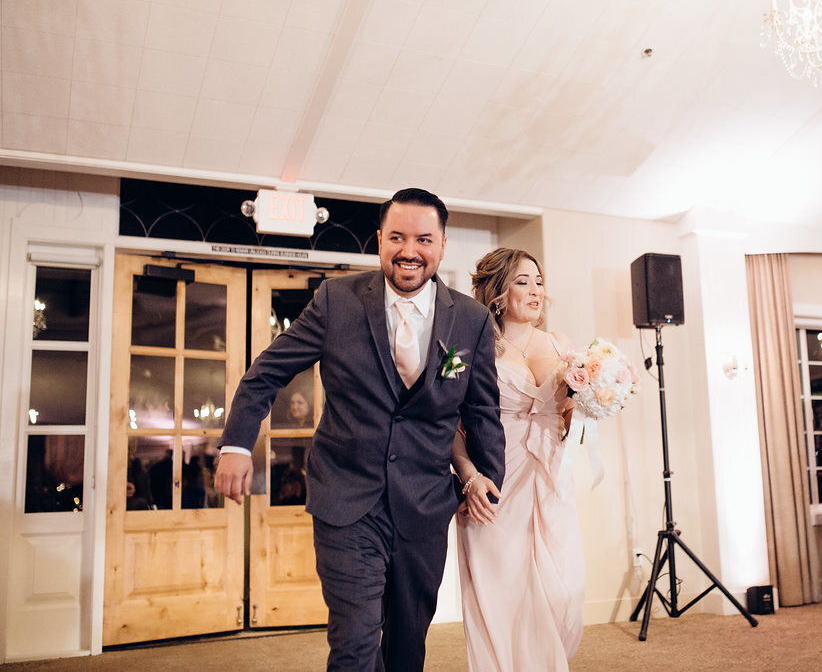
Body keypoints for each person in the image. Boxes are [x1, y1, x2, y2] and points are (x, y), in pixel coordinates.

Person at [215, 188, 506, 671]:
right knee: (354, 643)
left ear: (443, 244)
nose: (408, 250)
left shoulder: (470, 319)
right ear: (379, 239)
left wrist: (487, 485)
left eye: (423, 239)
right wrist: (236, 445)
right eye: (396, 237)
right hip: (347, 502)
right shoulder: (336, 300)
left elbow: (481, 411)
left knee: (407, 647)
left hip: (423, 507)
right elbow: (267, 372)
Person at [451, 247, 584, 672]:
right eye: (523, 282)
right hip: (495, 477)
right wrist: (469, 477)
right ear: (497, 290)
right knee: (499, 590)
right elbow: (447, 423)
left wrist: (590, 400)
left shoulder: (561, 345)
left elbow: (567, 418)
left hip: (549, 475)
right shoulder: (468, 345)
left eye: (540, 282)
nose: (535, 291)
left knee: (562, 587)